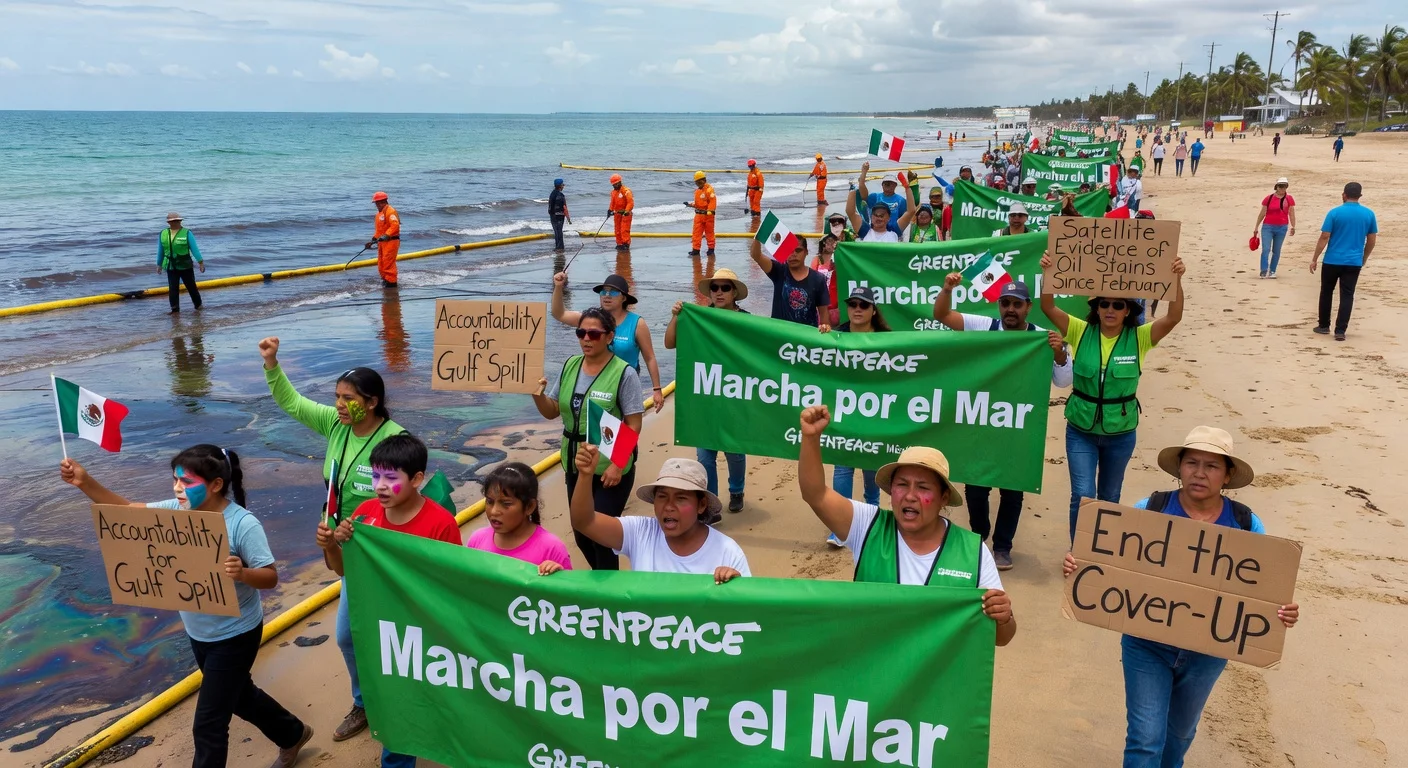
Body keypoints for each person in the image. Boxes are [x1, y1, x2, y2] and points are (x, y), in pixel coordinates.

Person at [1062, 426, 1300, 768]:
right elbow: (1108, 563)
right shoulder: (1150, 510)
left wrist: (1282, 613)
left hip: (1208, 652)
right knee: (1145, 740)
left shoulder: (1247, 524)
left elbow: (1263, 595)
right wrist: (1079, 565)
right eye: (1192, 463)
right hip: (1146, 644)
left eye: (1212, 466)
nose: (1199, 473)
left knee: (1179, 738)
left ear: (1227, 475)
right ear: (1179, 468)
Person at [61, 446, 313, 768]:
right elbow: (126, 512)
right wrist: (84, 482)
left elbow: (271, 577)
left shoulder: (242, 524)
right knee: (237, 696)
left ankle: (289, 734)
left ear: (217, 484)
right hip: (199, 632)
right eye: (175, 480)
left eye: (187, 481)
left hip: (236, 634)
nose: (177, 488)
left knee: (208, 724)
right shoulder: (175, 513)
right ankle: (292, 733)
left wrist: (243, 573)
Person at [258, 337, 400, 743]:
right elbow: (293, 403)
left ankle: (399, 695)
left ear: (371, 403)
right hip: (343, 549)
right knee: (347, 635)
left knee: (386, 631)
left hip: (382, 551)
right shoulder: (337, 426)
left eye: (347, 397)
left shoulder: (394, 440)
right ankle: (364, 701)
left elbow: (404, 498)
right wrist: (272, 365)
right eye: (337, 396)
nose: (339, 404)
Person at [796, 409, 1016, 646]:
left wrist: (1004, 618)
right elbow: (815, 493)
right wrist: (810, 438)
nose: (910, 496)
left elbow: (1000, 638)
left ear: (943, 499)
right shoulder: (867, 526)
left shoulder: (973, 551)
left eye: (923, 487)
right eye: (902, 484)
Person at [317, 434, 461, 768]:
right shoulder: (365, 515)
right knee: (390, 686)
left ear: (417, 479)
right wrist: (331, 545)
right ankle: (382, 726)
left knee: (411, 687)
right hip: (376, 615)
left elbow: (452, 582)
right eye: (375, 476)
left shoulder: (441, 523)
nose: (380, 486)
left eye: (391, 478)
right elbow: (344, 571)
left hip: (416, 621)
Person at [1038, 254, 1187, 541]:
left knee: (1110, 496)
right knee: (1082, 494)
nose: (1110, 309)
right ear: (1096, 307)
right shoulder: (1079, 331)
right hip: (1080, 429)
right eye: (1104, 303)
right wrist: (1048, 272)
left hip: (1121, 432)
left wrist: (1177, 279)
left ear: (1128, 311)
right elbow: (1048, 306)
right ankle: (1079, 549)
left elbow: (1174, 317)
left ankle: (1101, 549)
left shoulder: (1141, 337)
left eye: (1118, 305)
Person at [932, 279, 1072, 569]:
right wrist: (947, 289)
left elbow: (1063, 380)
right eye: (1005, 303)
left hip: (1018, 426)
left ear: (1028, 307)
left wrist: (1059, 353)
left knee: (1013, 487)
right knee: (976, 485)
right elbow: (942, 315)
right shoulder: (986, 327)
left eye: (1017, 304)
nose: (1010, 310)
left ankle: (1003, 547)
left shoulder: (1041, 338)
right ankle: (979, 535)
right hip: (983, 421)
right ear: (999, 306)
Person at [532, 307, 644, 569]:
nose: (586, 339)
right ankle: (601, 581)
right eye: (581, 332)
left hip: (609, 468)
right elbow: (552, 411)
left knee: (601, 538)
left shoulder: (624, 373)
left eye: (594, 334)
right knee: (581, 534)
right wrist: (536, 394)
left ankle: (609, 595)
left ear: (609, 337)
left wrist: (618, 463)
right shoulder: (571, 365)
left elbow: (634, 424)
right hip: (575, 464)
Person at [570, 445, 749, 581]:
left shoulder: (728, 552)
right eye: (662, 496)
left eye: (680, 498)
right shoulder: (640, 532)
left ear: (701, 505)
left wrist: (736, 587)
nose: (669, 506)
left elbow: (750, 613)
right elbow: (584, 522)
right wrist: (585, 475)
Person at [664, 268, 751, 513]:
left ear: (734, 293)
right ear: (709, 292)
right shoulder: (697, 317)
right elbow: (670, 343)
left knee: (734, 449)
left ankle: (736, 490)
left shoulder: (746, 319)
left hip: (735, 393)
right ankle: (710, 501)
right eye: (715, 288)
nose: (719, 292)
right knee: (704, 455)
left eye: (725, 288)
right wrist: (675, 316)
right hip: (704, 393)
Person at [817, 285, 890, 547]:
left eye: (863, 305)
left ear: (872, 310)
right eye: (853, 305)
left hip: (874, 413)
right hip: (844, 411)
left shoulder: (887, 340)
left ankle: (870, 519)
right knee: (843, 465)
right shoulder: (837, 335)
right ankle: (841, 526)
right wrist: (823, 334)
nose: (857, 310)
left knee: (871, 469)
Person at [551, 272, 664, 408]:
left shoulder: (637, 323)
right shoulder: (591, 319)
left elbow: (650, 357)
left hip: (625, 386)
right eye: (604, 291)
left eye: (614, 292)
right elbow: (559, 314)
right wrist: (558, 287)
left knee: (626, 427)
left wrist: (657, 389)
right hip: (597, 385)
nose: (607, 295)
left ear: (624, 298)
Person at [467, 461, 573, 574]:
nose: (494, 511)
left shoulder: (551, 549)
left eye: (506, 504)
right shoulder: (477, 540)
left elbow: (568, 589)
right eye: (489, 501)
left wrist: (558, 576)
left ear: (529, 507)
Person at [1311, 181, 1378, 341]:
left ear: (1344, 195)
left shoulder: (1334, 213)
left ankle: (1324, 325)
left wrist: (1315, 258)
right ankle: (1340, 330)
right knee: (1347, 295)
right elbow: (1372, 239)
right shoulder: (1369, 214)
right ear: (1360, 196)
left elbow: (1325, 236)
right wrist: (1364, 257)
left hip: (1332, 260)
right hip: (1353, 261)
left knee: (1326, 292)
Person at [748, 232, 831, 326]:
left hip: (807, 336)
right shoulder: (778, 271)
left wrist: (825, 332)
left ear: (806, 252)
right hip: (780, 335)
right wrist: (759, 236)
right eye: (789, 250)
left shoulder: (818, 279)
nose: (793, 254)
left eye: (798, 250)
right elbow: (756, 255)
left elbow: (823, 314)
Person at [158, 212, 205, 313]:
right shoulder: (163, 233)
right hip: (170, 266)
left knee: (191, 286)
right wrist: (159, 264)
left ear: (180, 221)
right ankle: (175, 309)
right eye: (172, 221)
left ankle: (198, 305)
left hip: (185, 265)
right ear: (168, 222)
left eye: (176, 221)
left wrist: (200, 262)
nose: (174, 223)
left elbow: (194, 249)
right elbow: (160, 250)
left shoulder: (187, 233)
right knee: (173, 288)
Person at [1253, 177, 1296, 278]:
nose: (1282, 188)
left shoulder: (1289, 199)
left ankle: (1272, 270)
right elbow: (1262, 213)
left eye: (1284, 186)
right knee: (1266, 249)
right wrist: (1256, 227)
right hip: (1268, 227)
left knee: (1276, 250)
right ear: (1276, 186)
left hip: (1282, 227)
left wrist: (1293, 226)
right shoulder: (1269, 198)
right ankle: (1264, 270)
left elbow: (1291, 213)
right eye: (1280, 186)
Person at [368, 191, 400, 288]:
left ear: (383, 201)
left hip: (391, 241)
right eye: (376, 203)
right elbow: (379, 229)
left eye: (378, 203)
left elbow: (395, 225)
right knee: (381, 262)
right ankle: (385, 280)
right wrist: (374, 238)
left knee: (388, 263)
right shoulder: (379, 214)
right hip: (382, 242)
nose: (377, 205)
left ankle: (391, 283)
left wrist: (387, 235)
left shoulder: (390, 211)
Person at [686, 170, 718, 257]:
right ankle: (695, 250)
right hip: (698, 215)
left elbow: (712, 201)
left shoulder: (709, 190)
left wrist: (710, 210)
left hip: (708, 216)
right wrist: (690, 204)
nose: (698, 184)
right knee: (696, 233)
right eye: (697, 182)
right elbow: (698, 204)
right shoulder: (697, 192)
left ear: (704, 180)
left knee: (709, 233)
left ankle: (711, 249)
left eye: (700, 181)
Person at [812, 234, 841, 325]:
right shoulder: (818, 259)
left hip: (835, 305)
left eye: (833, 242)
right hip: (819, 305)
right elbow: (812, 279)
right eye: (828, 241)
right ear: (823, 243)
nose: (831, 244)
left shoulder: (839, 259)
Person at [607, 174, 633, 251]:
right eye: (613, 184)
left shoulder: (626, 191)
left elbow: (630, 202)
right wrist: (610, 210)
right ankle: (619, 243)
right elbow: (612, 203)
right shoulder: (613, 192)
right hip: (617, 213)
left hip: (626, 214)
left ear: (619, 182)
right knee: (617, 229)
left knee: (624, 229)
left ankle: (626, 244)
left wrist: (626, 211)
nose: (614, 186)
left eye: (615, 184)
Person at [548, 178, 570, 251]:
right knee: (559, 230)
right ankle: (560, 247)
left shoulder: (552, 194)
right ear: (560, 186)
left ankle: (557, 247)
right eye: (563, 185)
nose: (563, 186)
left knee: (556, 231)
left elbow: (550, 206)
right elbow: (564, 207)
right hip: (560, 215)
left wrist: (551, 213)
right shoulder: (561, 195)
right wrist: (568, 218)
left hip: (552, 215)